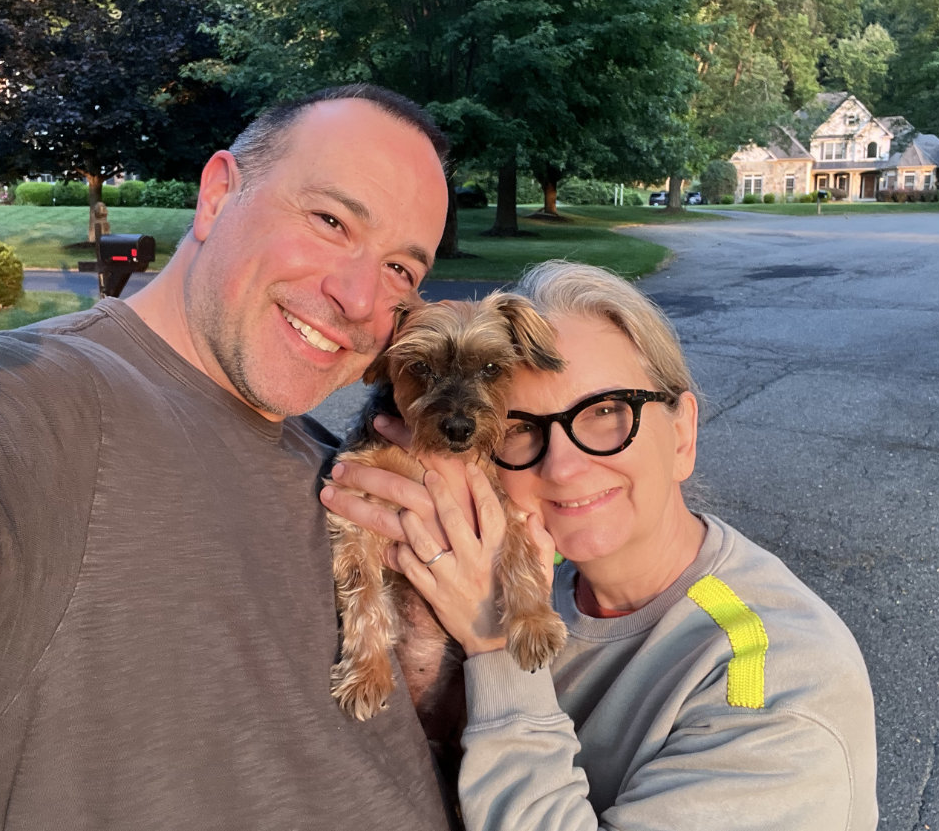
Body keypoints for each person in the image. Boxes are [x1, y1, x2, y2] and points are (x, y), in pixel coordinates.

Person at [0, 84, 459, 830]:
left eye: (401, 270)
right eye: (331, 220)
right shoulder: (41, 404)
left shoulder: (334, 461)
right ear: (216, 196)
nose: (358, 297)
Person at [323, 260, 879, 830]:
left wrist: (496, 647)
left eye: (607, 412)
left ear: (683, 433)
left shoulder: (783, 690)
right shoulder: (545, 581)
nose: (563, 466)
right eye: (520, 427)